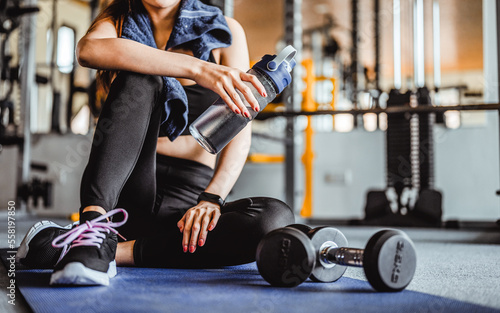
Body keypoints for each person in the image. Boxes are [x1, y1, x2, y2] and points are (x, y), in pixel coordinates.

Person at [16, 0, 294, 286]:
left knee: (274, 219)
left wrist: (213, 198)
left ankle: (100, 249)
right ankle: (94, 228)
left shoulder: (225, 31)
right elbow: (88, 50)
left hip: (188, 206)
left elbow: (240, 129)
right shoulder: (119, 23)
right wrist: (199, 69)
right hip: (128, 193)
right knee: (142, 75)